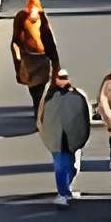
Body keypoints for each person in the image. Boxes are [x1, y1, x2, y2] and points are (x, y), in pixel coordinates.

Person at [38, 67, 93, 206]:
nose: (63, 81)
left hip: (73, 138)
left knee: (73, 166)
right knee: (60, 165)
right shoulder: (49, 96)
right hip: (55, 137)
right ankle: (63, 194)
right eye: (60, 78)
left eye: (65, 78)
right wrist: (43, 131)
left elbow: (86, 116)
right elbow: (41, 116)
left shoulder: (78, 95)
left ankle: (66, 186)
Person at [11, 0, 60, 119]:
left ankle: (40, 111)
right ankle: (38, 110)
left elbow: (49, 37)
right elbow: (15, 40)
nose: (32, 12)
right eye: (30, 8)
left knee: (42, 87)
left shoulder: (43, 18)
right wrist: (17, 58)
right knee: (34, 89)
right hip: (29, 60)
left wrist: (55, 61)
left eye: (35, 8)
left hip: (43, 59)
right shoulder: (21, 18)